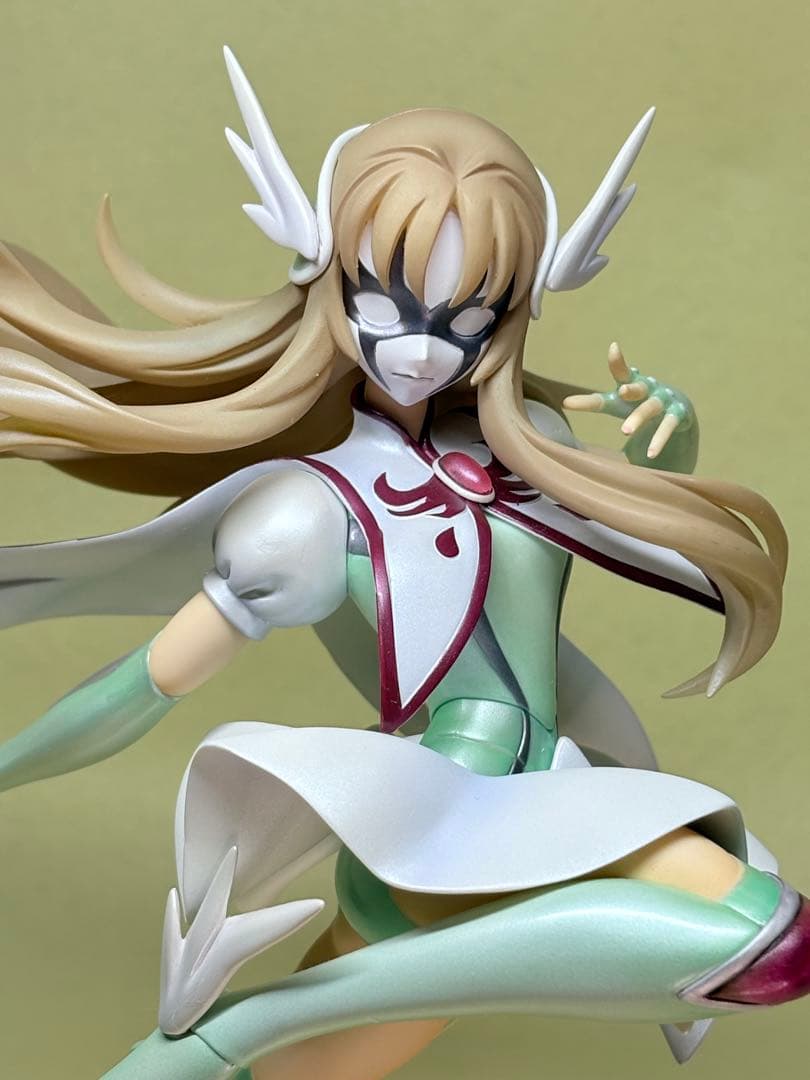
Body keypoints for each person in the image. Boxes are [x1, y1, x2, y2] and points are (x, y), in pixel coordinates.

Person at [0, 49, 804, 1079]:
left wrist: (666, 445)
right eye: (384, 305)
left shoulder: (532, 441)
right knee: (767, 941)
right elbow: (149, 682)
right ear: (330, 281)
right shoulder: (303, 512)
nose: (422, 350)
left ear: (511, 315)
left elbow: (618, 526)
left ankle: (227, 1044)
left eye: (465, 320)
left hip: (543, 795)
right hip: (444, 820)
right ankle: (241, 1025)